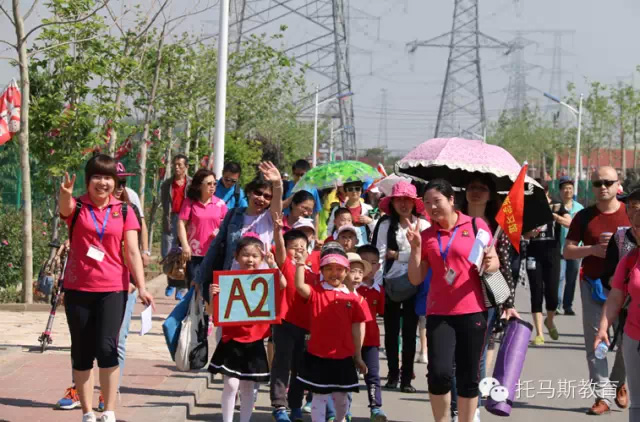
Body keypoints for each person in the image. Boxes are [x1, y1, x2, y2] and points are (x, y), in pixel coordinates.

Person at [407, 179, 516, 422]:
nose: (432, 207)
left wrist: (491, 263)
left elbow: (495, 262)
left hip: (472, 310)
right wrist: (415, 249)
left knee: (468, 376)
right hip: (439, 313)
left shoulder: (477, 225)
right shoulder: (426, 235)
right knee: (439, 373)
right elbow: (416, 278)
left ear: (452, 200)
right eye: (427, 203)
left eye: (437, 201)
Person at [58, 154, 155, 422]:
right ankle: (87, 412)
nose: (103, 183)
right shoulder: (78, 206)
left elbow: (133, 252)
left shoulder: (124, 210)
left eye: (108, 178)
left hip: (113, 288)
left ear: (115, 182)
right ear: (89, 180)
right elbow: (65, 210)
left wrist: (143, 286)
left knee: (107, 347)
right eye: (97, 177)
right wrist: (65, 193)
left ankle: (109, 410)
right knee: (81, 350)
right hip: (78, 288)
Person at [453, 174, 522, 421]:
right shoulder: (453, 221)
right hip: (454, 295)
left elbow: (506, 268)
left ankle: (473, 409)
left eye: (482, 189)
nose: (476, 192)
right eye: (471, 187)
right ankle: (455, 408)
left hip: (485, 296)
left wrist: (509, 303)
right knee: (454, 355)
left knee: (477, 355)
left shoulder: (497, 226)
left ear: (491, 195)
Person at [564, 166, 629, 415]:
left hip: (626, 288)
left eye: (608, 182)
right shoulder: (584, 217)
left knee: (627, 342)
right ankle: (602, 396)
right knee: (596, 343)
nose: (603, 187)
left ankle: (617, 383)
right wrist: (591, 249)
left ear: (617, 184)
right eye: (597, 183)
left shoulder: (630, 213)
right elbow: (568, 251)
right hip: (593, 285)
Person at [208, 234, 285, 422]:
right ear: (236, 256)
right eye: (245, 255)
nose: (249, 259)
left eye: (255, 256)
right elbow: (212, 313)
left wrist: (273, 264)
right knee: (231, 385)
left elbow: (283, 284)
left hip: (255, 341)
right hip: (231, 340)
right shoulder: (226, 281)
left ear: (261, 258)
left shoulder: (266, 279)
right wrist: (212, 295)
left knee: (248, 387)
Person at [293, 244, 370, 422]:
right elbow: (299, 286)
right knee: (319, 397)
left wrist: (358, 356)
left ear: (347, 271)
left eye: (339, 269)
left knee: (342, 399)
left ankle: (339, 419)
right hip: (318, 355)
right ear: (321, 271)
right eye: (328, 269)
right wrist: (300, 264)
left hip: (343, 356)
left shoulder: (354, 299)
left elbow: (357, 329)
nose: (334, 273)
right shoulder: (317, 291)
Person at [373, 181, 430, 393]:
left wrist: (398, 255)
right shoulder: (385, 225)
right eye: (399, 200)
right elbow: (379, 254)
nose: (403, 204)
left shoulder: (423, 226)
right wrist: (378, 284)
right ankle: (392, 374)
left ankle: (406, 378)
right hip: (390, 285)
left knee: (409, 333)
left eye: (408, 200)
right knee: (390, 333)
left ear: (415, 203)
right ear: (393, 202)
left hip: (415, 285)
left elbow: (426, 255)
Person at [198, 161, 283, 302]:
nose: (261, 198)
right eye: (258, 193)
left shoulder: (270, 218)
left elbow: (277, 207)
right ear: (249, 192)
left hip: (261, 282)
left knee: (257, 323)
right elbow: (215, 246)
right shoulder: (233, 215)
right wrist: (200, 277)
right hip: (232, 280)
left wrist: (278, 184)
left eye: (267, 196)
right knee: (229, 322)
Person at [595, 210, 640, 422]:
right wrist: (603, 327)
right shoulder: (630, 260)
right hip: (634, 338)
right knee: (638, 403)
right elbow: (615, 297)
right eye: (637, 226)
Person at [524, 179, 570, 346]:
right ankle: (539, 333)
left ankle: (549, 321)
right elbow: (523, 234)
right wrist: (531, 232)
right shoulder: (528, 208)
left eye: (540, 191)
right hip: (534, 255)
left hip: (552, 254)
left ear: (546, 191)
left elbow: (569, 222)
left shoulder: (557, 205)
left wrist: (555, 217)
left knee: (552, 294)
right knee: (536, 292)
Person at [177, 169, 228, 290]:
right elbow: (181, 224)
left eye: (214, 183)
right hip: (194, 254)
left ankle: (207, 309)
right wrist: (185, 245)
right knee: (194, 289)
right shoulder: (190, 202)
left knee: (212, 290)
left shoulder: (220, 204)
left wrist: (220, 232)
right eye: (209, 184)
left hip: (215, 253)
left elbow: (226, 226)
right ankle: (193, 309)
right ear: (199, 185)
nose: (212, 187)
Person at [355, 246, 389, 422]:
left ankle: (375, 407)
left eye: (374, 263)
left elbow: (381, 311)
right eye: (365, 262)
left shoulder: (379, 290)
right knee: (348, 376)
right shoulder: (351, 289)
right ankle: (342, 409)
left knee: (373, 374)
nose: (369, 266)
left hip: (371, 339)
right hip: (350, 340)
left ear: (378, 266)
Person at [160, 154, 191, 299]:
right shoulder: (167, 184)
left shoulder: (191, 184)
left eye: (180, 165)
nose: (177, 167)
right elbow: (165, 203)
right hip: (171, 219)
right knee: (168, 252)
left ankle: (182, 286)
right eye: (175, 165)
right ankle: (171, 281)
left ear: (186, 167)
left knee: (183, 253)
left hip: (186, 220)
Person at [556, 176, 584, 315]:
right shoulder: (555, 207)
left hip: (575, 249)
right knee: (559, 277)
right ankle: (557, 305)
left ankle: (568, 305)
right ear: (560, 191)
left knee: (571, 279)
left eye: (570, 188)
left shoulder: (579, 208)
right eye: (565, 188)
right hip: (558, 248)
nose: (567, 191)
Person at [328, 181, 377, 245]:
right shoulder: (337, 209)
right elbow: (330, 229)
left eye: (357, 189)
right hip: (342, 245)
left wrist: (370, 221)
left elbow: (377, 230)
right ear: (345, 192)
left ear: (361, 190)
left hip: (363, 246)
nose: (354, 192)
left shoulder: (369, 208)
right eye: (350, 189)